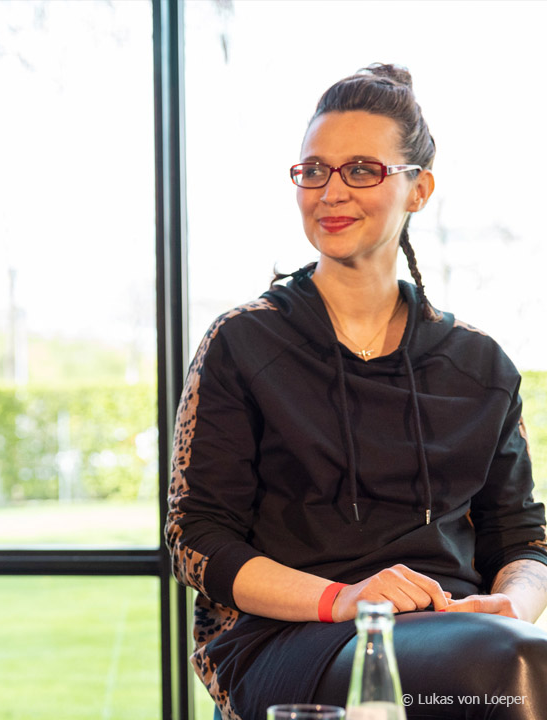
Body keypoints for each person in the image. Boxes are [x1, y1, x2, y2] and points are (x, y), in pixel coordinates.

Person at [166, 64, 547, 719]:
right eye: (314, 170)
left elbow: (522, 540)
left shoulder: (479, 364)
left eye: (361, 170)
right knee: (506, 670)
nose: (330, 191)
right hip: (288, 639)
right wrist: (343, 598)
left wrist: (513, 605)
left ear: (418, 189)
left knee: (508, 660)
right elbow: (195, 538)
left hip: (456, 633)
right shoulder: (244, 343)